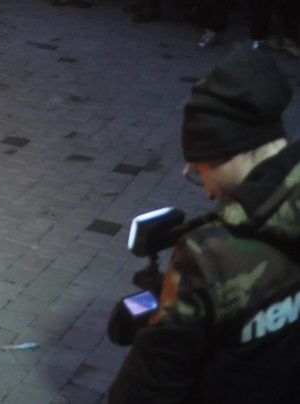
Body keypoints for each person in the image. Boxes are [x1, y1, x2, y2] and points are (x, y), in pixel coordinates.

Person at [108, 49, 300, 402]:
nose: (209, 193)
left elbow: (145, 389)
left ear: (223, 154)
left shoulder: (211, 256)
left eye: (200, 171)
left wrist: (176, 305)